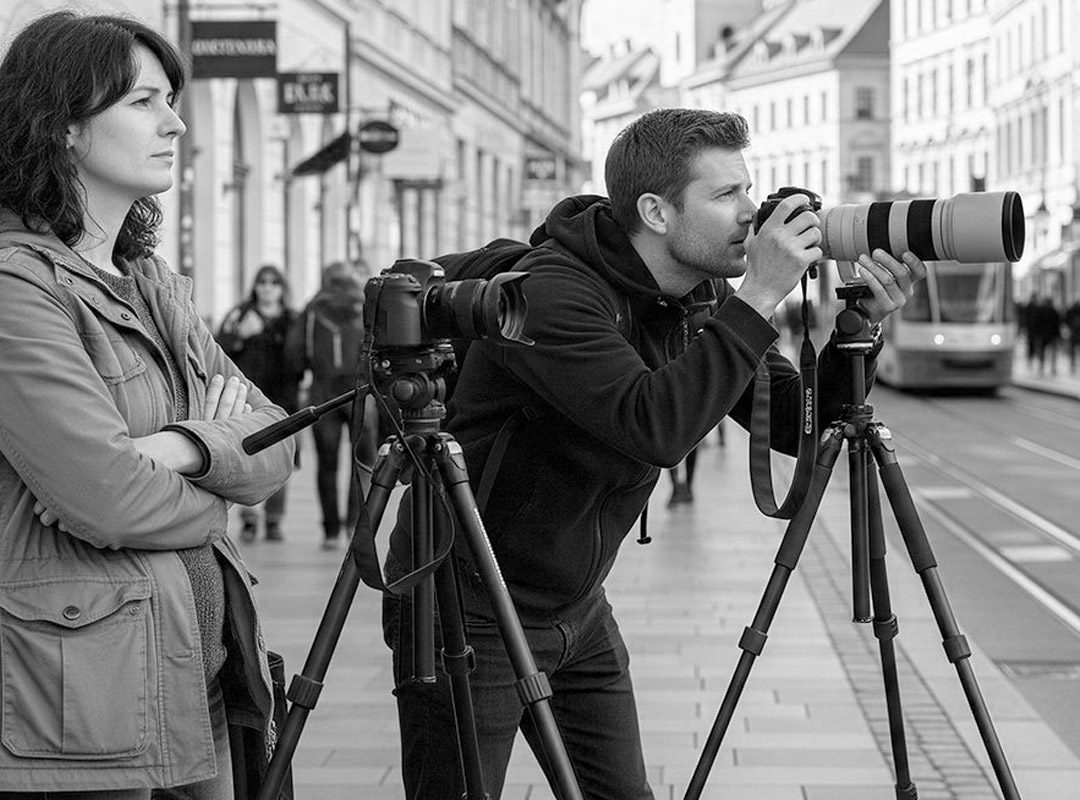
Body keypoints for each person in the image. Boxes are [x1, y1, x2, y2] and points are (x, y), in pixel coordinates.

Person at [380, 108, 925, 799]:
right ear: (656, 212)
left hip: (575, 603)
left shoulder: (697, 294)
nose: (751, 213)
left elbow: (793, 420)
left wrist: (858, 331)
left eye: (747, 190)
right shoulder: (553, 295)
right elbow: (653, 426)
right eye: (726, 196)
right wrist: (758, 296)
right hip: (465, 603)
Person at [0, 11, 295, 799]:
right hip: (76, 703)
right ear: (61, 126)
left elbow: (278, 439)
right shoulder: (5, 289)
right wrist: (213, 486)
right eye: (143, 102)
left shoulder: (150, 281)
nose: (175, 122)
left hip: (194, 681)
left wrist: (182, 449)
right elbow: (108, 498)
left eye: (171, 99)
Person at [288, 260, 378, 549]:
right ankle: (355, 524)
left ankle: (329, 531)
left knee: (327, 465)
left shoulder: (313, 308)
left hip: (323, 394)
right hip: (360, 392)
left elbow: (294, 352)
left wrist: (304, 372)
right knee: (362, 461)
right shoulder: (365, 305)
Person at [216, 265, 301, 541]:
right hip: (249, 399)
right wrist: (242, 335)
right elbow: (218, 347)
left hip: (283, 399)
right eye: (262, 282)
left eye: (274, 282)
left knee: (281, 458)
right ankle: (250, 519)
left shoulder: (292, 319)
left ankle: (274, 520)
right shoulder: (241, 314)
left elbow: (302, 355)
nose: (267, 287)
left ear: (281, 288)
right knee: (249, 456)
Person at [1064, 298, 1080, 375]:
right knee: (1074, 349)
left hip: (1073, 332)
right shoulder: (1071, 311)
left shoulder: (1070, 310)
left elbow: (1066, 320)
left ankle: (1073, 364)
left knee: (1073, 349)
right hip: (1075, 333)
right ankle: (1073, 364)